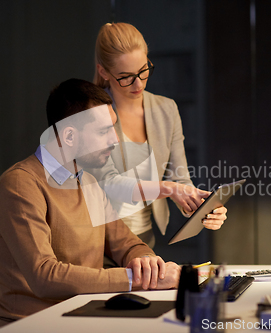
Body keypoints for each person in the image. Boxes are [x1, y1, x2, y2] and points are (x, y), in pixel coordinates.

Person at [0, 78, 180, 330]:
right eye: (103, 131)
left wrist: (145, 262)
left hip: (83, 317)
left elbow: (126, 243)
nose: (115, 139)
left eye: (113, 127)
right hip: (31, 325)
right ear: (68, 135)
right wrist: (134, 279)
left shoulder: (86, 181)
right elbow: (44, 276)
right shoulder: (20, 185)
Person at [89, 22, 227, 248]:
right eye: (126, 76)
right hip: (97, 240)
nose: (138, 83)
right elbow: (109, 184)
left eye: (143, 70)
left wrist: (204, 207)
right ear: (104, 71)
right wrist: (170, 188)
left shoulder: (166, 109)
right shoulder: (92, 112)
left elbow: (180, 178)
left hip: (143, 239)